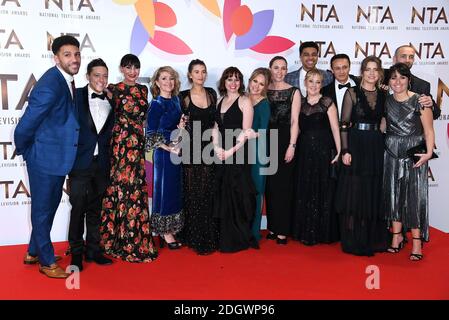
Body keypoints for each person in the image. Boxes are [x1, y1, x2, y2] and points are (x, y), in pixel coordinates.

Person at [14, 35, 81, 278]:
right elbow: (26, 123)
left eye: (76, 54)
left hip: (55, 157)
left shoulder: (65, 80)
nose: (74, 59)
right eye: (67, 55)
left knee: (49, 206)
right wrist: (27, 150)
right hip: (43, 158)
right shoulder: (51, 83)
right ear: (56, 58)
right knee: (43, 210)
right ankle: (46, 261)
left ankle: (33, 251)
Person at [100, 54, 157, 262]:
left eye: (136, 68)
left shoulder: (143, 90)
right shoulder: (113, 90)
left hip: (137, 143)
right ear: (122, 68)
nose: (133, 72)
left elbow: (145, 118)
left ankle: (136, 238)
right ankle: (117, 238)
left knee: (136, 188)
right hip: (120, 145)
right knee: (121, 187)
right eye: (128, 67)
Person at [335, 56, 389, 256]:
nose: (372, 73)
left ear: (380, 73)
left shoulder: (384, 94)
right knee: (355, 192)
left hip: (376, 144)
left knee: (371, 190)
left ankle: (370, 237)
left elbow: (385, 119)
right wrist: (345, 150)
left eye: (376, 70)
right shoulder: (352, 92)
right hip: (356, 144)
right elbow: (344, 124)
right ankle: (353, 238)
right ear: (362, 72)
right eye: (368, 69)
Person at [383, 63, 435, 261]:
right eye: (393, 78)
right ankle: (396, 237)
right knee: (393, 195)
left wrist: (428, 153)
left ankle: (416, 241)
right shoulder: (386, 101)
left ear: (408, 80)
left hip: (415, 154)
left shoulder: (420, 101)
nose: (398, 82)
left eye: (402, 78)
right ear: (388, 81)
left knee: (414, 197)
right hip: (391, 153)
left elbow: (429, 131)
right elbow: (383, 125)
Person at [67, 58, 114, 271]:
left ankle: (93, 250)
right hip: (79, 164)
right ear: (87, 76)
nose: (101, 80)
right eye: (97, 75)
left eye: (105, 76)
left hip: (102, 164)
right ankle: (76, 254)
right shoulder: (74, 97)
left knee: (96, 209)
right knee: (78, 209)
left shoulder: (112, 101)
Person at [292, 69, 341, 245]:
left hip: (323, 150)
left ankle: (322, 232)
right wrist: (292, 146)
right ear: (305, 82)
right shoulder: (300, 103)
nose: (314, 85)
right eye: (311, 81)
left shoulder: (327, 102)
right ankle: (306, 230)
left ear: (322, 84)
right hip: (304, 151)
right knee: (305, 188)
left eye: (318, 82)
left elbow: (336, 129)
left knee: (323, 189)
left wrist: (339, 151)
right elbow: (296, 127)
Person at [212, 66, 258, 252]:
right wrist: (216, 148)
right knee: (223, 194)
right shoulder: (220, 101)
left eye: (237, 79)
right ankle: (224, 236)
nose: (233, 83)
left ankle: (238, 237)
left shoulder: (245, 101)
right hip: (221, 151)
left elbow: (246, 132)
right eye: (229, 79)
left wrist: (230, 152)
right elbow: (215, 126)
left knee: (237, 193)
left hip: (238, 152)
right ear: (224, 82)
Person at [178, 59, 219, 255]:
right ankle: (193, 236)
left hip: (209, 148)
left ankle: (207, 234)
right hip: (190, 149)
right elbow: (179, 124)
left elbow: (216, 122)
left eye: (203, 71)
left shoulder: (212, 93)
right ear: (190, 74)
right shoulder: (183, 96)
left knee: (208, 192)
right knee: (193, 192)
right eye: (196, 71)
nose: (201, 75)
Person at [146, 66, 184, 249]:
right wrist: (170, 148)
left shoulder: (176, 100)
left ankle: (172, 228)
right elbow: (151, 134)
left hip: (177, 149)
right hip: (163, 153)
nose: (168, 82)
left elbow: (177, 126)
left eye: (171, 78)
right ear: (156, 82)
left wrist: (182, 127)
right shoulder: (156, 104)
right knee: (164, 191)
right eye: (164, 78)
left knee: (174, 191)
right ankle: (164, 232)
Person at [265, 56, 301, 245]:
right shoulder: (263, 89)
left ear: (287, 71)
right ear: (270, 69)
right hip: (266, 140)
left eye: (283, 68)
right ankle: (272, 226)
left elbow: (295, 121)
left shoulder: (294, 92)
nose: (279, 71)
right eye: (276, 67)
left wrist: (292, 145)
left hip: (285, 140)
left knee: (284, 186)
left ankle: (282, 230)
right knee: (269, 186)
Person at [247, 67, 271, 243]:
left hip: (258, 151)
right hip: (239, 149)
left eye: (261, 84)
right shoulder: (242, 98)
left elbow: (263, 131)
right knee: (241, 191)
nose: (257, 86)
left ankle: (254, 232)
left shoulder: (264, 104)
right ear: (250, 81)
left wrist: (249, 134)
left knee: (256, 191)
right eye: (255, 81)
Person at [384, 45, 440, 120]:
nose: (407, 60)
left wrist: (430, 105)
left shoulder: (421, 85)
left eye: (411, 57)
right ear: (394, 59)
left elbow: (436, 114)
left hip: (406, 130)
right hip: (379, 129)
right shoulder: (380, 76)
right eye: (403, 56)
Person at [321, 54, 360, 119]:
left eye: (344, 67)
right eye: (337, 68)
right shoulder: (324, 91)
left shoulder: (361, 86)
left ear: (349, 68)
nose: (341, 71)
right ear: (332, 70)